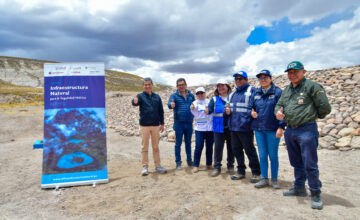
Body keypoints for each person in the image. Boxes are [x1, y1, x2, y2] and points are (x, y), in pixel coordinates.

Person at [275, 61, 331, 210]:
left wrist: (311, 117)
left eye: (295, 72)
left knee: (309, 163)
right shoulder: (287, 90)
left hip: (307, 129)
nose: (292, 75)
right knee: (296, 161)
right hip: (291, 130)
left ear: (303, 72)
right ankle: (299, 187)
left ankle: (315, 192)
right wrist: (278, 114)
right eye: (289, 72)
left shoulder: (312, 86)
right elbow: (278, 105)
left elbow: (324, 107)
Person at [251, 70, 285, 189]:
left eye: (265, 77)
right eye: (260, 78)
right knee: (262, 155)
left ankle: (274, 179)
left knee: (273, 155)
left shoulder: (278, 92)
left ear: (271, 78)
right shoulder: (256, 93)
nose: (263, 79)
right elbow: (252, 107)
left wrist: (281, 127)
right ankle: (264, 178)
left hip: (272, 129)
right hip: (259, 129)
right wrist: (252, 113)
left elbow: (282, 110)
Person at [227, 71, 261, 182]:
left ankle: (256, 172)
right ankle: (241, 171)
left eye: (240, 79)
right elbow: (227, 108)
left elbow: (257, 107)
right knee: (236, 150)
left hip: (245, 127)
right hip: (233, 127)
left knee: (249, 150)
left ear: (246, 80)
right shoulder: (232, 94)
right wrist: (226, 111)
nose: (238, 81)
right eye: (236, 79)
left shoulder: (252, 91)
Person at [132, 77, 167, 176]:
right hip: (144, 126)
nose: (147, 86)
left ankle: (158, 165)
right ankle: (145, 167)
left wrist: (162, 123)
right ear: (143, 86)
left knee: (156, 147)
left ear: (152, 85)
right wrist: (134, 101)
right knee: (144, 147)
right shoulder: (140, 96)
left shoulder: (157, 97)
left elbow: (161, 110)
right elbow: (135, 102)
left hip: (156, 125)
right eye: (145, 84)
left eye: (149, 84)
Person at [206, 79, 235, 177]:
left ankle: (230, 166)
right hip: (218, 128)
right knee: (218, 148)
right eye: (219, 86)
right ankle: (217, 167)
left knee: (231, 148)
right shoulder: (214, 99)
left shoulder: (233, 97)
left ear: (227, 86)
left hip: (231, 127)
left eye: (222, 86)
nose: (221, 88)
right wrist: (207, 110)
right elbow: (209, 110)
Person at [168, 78, 195, 170]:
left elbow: (195, 105)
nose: (181, 86)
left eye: (183, 84)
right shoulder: (174, 96)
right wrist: (171, 105)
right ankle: (178, 162)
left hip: (189, 123)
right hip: (178, 123)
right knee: (178, 144)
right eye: (179, 85)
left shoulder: (191, 96)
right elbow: (169, 104)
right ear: (177, 86)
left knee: (188, 143)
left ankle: (189, 160)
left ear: (186, 85)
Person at [190, 87, 214, 173]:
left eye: (202, 93)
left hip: (210, 129)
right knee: (199, 147)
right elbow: (192, 108)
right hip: (199, 129)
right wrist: (192, 107)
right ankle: (196, 165)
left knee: (209, 147)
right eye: (198, 93)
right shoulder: (194, 103)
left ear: (205, 93)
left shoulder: (209, 102)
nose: (200, 95)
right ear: (196, 95)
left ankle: (209, 164)